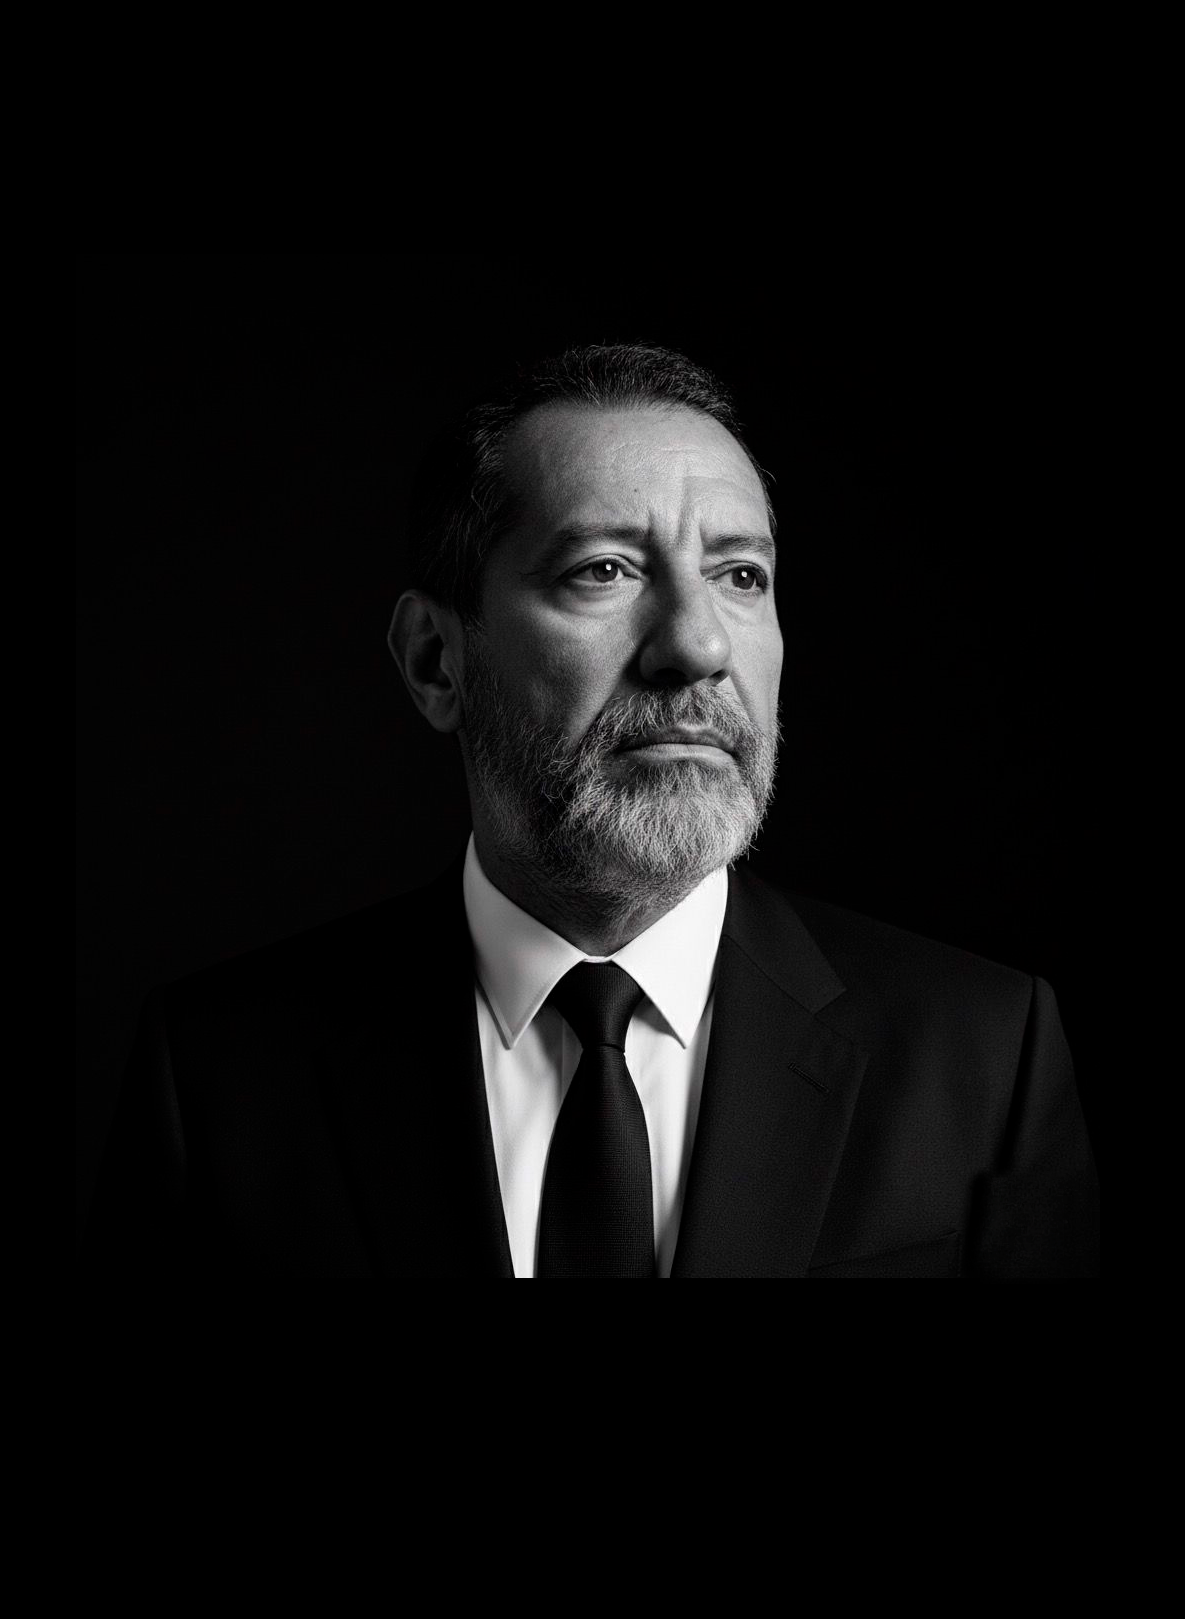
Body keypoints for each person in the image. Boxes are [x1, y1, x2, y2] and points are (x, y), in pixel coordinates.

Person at [83, 343, 1099, 1277]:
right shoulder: (218, 1080)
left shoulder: (986, 1055)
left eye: (740, 575)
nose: (697, 646)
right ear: (436, 661)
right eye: (603, 570)